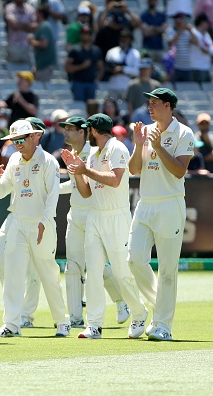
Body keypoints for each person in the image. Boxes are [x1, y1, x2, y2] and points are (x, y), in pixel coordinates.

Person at [62, 113, 149, 339]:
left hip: (116, 217)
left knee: (121, 272)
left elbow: (115, 179)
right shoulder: (92, 153)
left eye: (87, 129)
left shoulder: (117, 148)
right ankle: (94, 325)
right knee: (93, 273)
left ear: (93, 130)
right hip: (95, 216)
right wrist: (75, 170)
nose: (86, 133)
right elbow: (86, 191)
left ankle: (139, 313)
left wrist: (84, 170)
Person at [127, 88, 194, 341]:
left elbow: (179, 171)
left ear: (168, 106)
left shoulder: (184, 132)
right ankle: (158, 306)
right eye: (149, 103)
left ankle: (163, 325)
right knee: (134, 260)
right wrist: (138, 144)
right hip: (146, 204)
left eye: (155, 103)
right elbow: (135, 170)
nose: (150, 107)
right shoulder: (145, 132)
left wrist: (157, 146)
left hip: (170, 204)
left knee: (167, 268)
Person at [0, 120, 70, 338]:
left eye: (21, 139)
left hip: (40, 224)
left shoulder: (48, 162)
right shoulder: (14, 160)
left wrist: (44, 223)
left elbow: (52, 196)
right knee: (13, 274)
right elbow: (1, 192)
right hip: (18, 221)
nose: (17, 144)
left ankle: (61, 321)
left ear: (33, 137)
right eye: (14, 140)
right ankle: (11, 323)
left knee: (48, 274)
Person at [65, 26, 103, 102]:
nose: (85, 36)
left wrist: (97, 79)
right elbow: (67, 67)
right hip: (78, 83)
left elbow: (101, 67)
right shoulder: (75, 50)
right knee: (79, 106)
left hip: (91, 83)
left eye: (87, 34)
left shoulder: (96, 50)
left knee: (92, 106)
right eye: (83, 34)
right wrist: (81, 66)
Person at [104, 29, 141, 100]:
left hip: (127, 86)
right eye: (122, 37)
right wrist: (113, 70)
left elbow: (137, 71)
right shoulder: (111, 52)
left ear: (130, 39)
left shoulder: (135, 54)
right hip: (113, 85)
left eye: (126, 38)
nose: (123, 39)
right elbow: (106, 68)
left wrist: (123, 69)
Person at [29, 5, 57, 82]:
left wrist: (32, 42)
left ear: (40, 14)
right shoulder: (44, 25)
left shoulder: (44, 26)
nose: (35, 16)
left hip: (45, 66)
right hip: (41, 66)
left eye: (36, 13)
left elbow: (44, 44)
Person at [4, 0, 36, 65]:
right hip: (13, 45)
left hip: (26, 46)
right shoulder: (9, 7)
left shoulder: (30, 9)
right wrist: (27, 26)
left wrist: (19, 25)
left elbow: (35, 25)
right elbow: (14, 25)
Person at [165, 12, 193, 82]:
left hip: (187, 67)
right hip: (175, 67)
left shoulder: (188, 32)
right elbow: (172, 43)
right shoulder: (170, 31)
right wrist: (180, 30)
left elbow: (196, 42)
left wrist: (191, 31)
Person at [189, 13, 213, 83]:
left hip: (206, 67)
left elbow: (210, 49)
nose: (208, 25)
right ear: (202, 22)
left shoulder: (206, 35)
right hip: (196, 67)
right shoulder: (194, 32)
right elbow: (203, 48)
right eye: (206, 22)